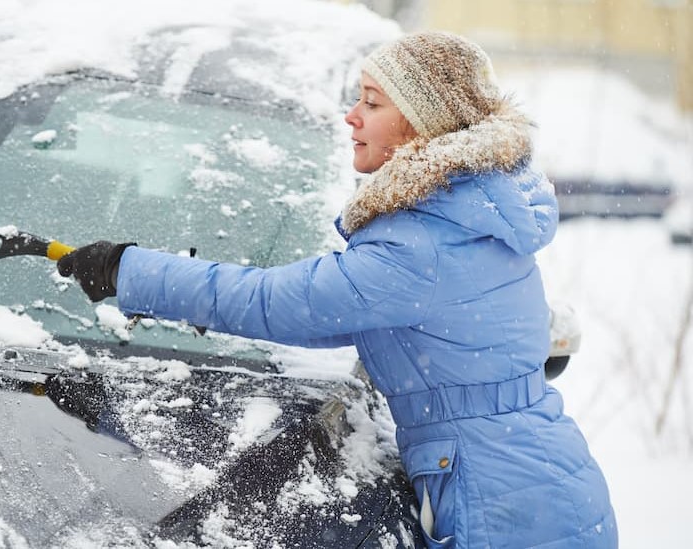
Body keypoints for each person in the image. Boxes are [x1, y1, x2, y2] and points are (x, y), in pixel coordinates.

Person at [57, 31, 617, 548]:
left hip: (504, 505)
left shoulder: (421, 243)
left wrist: (125, 270)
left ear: (423, 124)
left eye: (372, 103)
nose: (351, 117)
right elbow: (334, 314)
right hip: (525, 480)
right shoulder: (461, 211)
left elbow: (273, 304)